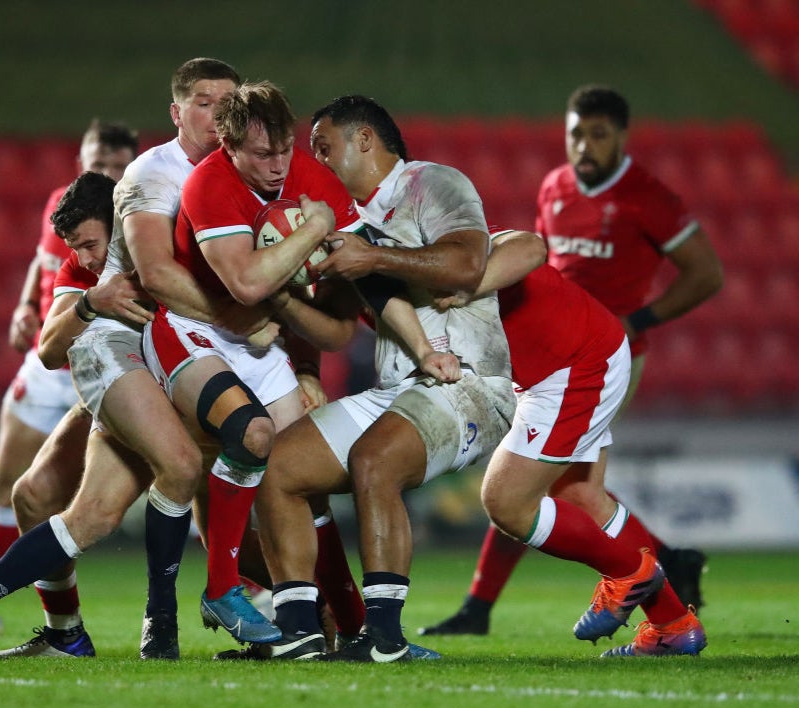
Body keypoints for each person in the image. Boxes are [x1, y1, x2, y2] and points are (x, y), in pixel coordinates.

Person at [0, 58, 246, 660]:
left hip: (183, 373)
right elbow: (48, 347)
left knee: (98, 501)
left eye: (94, 245)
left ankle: (283, 609)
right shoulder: (96, 259)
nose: (89, 259)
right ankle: (135, 626)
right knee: (57, 491)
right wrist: (94, 302)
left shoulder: (171, 212)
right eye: (79, 250)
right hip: (131, 375)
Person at [421, 84, 724, 637]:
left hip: (600, 353)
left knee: (523, 484)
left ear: (622, 138)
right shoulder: (555, 185)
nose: (584, 145)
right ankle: (669, 600)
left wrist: (642, 320)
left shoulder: (646, 196)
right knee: (569, 488)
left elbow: (707, 275)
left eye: (598, 135)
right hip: (552, 350)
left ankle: (632, 571)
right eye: (575, 134)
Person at [248, 95, 516, 662]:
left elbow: (467, 265)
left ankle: (385, 639)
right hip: (398, 389)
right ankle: (299, 631)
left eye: (323, 146)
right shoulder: (348, 222)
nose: (314, 161)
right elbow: (336, 329)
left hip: (467, 384)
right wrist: (284, 310)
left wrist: (374, 259)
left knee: (375, 461)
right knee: (278, 468)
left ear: (364, 139)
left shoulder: (433, 184)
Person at [141, 80, 370, 647]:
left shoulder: (305, 175)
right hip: (196, 329)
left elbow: (354, 259)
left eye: (283, 151)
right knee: (253, 435)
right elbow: (245, 284)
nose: (276, 167)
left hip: (263, 341)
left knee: (303, 479)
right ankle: (223, 586)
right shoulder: (208, 184)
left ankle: (350, 622)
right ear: (228, 144)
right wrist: (315, 229)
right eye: (260, 155)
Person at [0, 119, 138, 634]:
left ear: (130, 165)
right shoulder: (61, 208)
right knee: (15, 485)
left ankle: (253, 591)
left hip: (121, 363)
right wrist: (25, 306)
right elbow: (45, 264)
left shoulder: (146, 216)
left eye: (113, 164)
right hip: (60, 357)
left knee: (186, 478)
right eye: (94, 161)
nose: (102, 170)